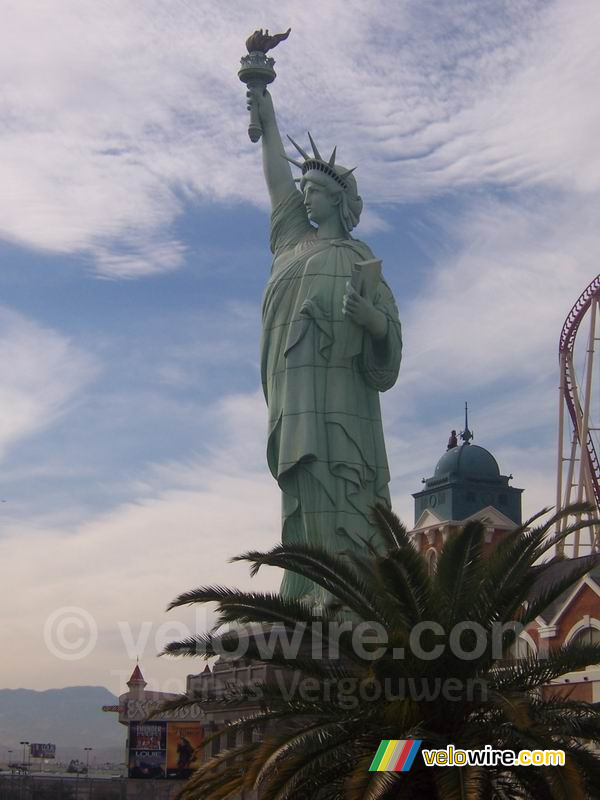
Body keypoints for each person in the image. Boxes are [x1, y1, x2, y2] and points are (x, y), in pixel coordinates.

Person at [247, 87, 402, 605]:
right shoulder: (292, 239)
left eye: (314, 189)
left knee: (345, 483)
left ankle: (348, 591)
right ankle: (306, 586)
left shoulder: (363, 258)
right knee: (305, 481)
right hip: (296, 392)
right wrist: (264, 110)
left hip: (345, 397)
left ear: (336, 198)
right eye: (305, 188)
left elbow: (390, 341)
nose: (304, 196)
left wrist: (372, 321)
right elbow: (274, 181)